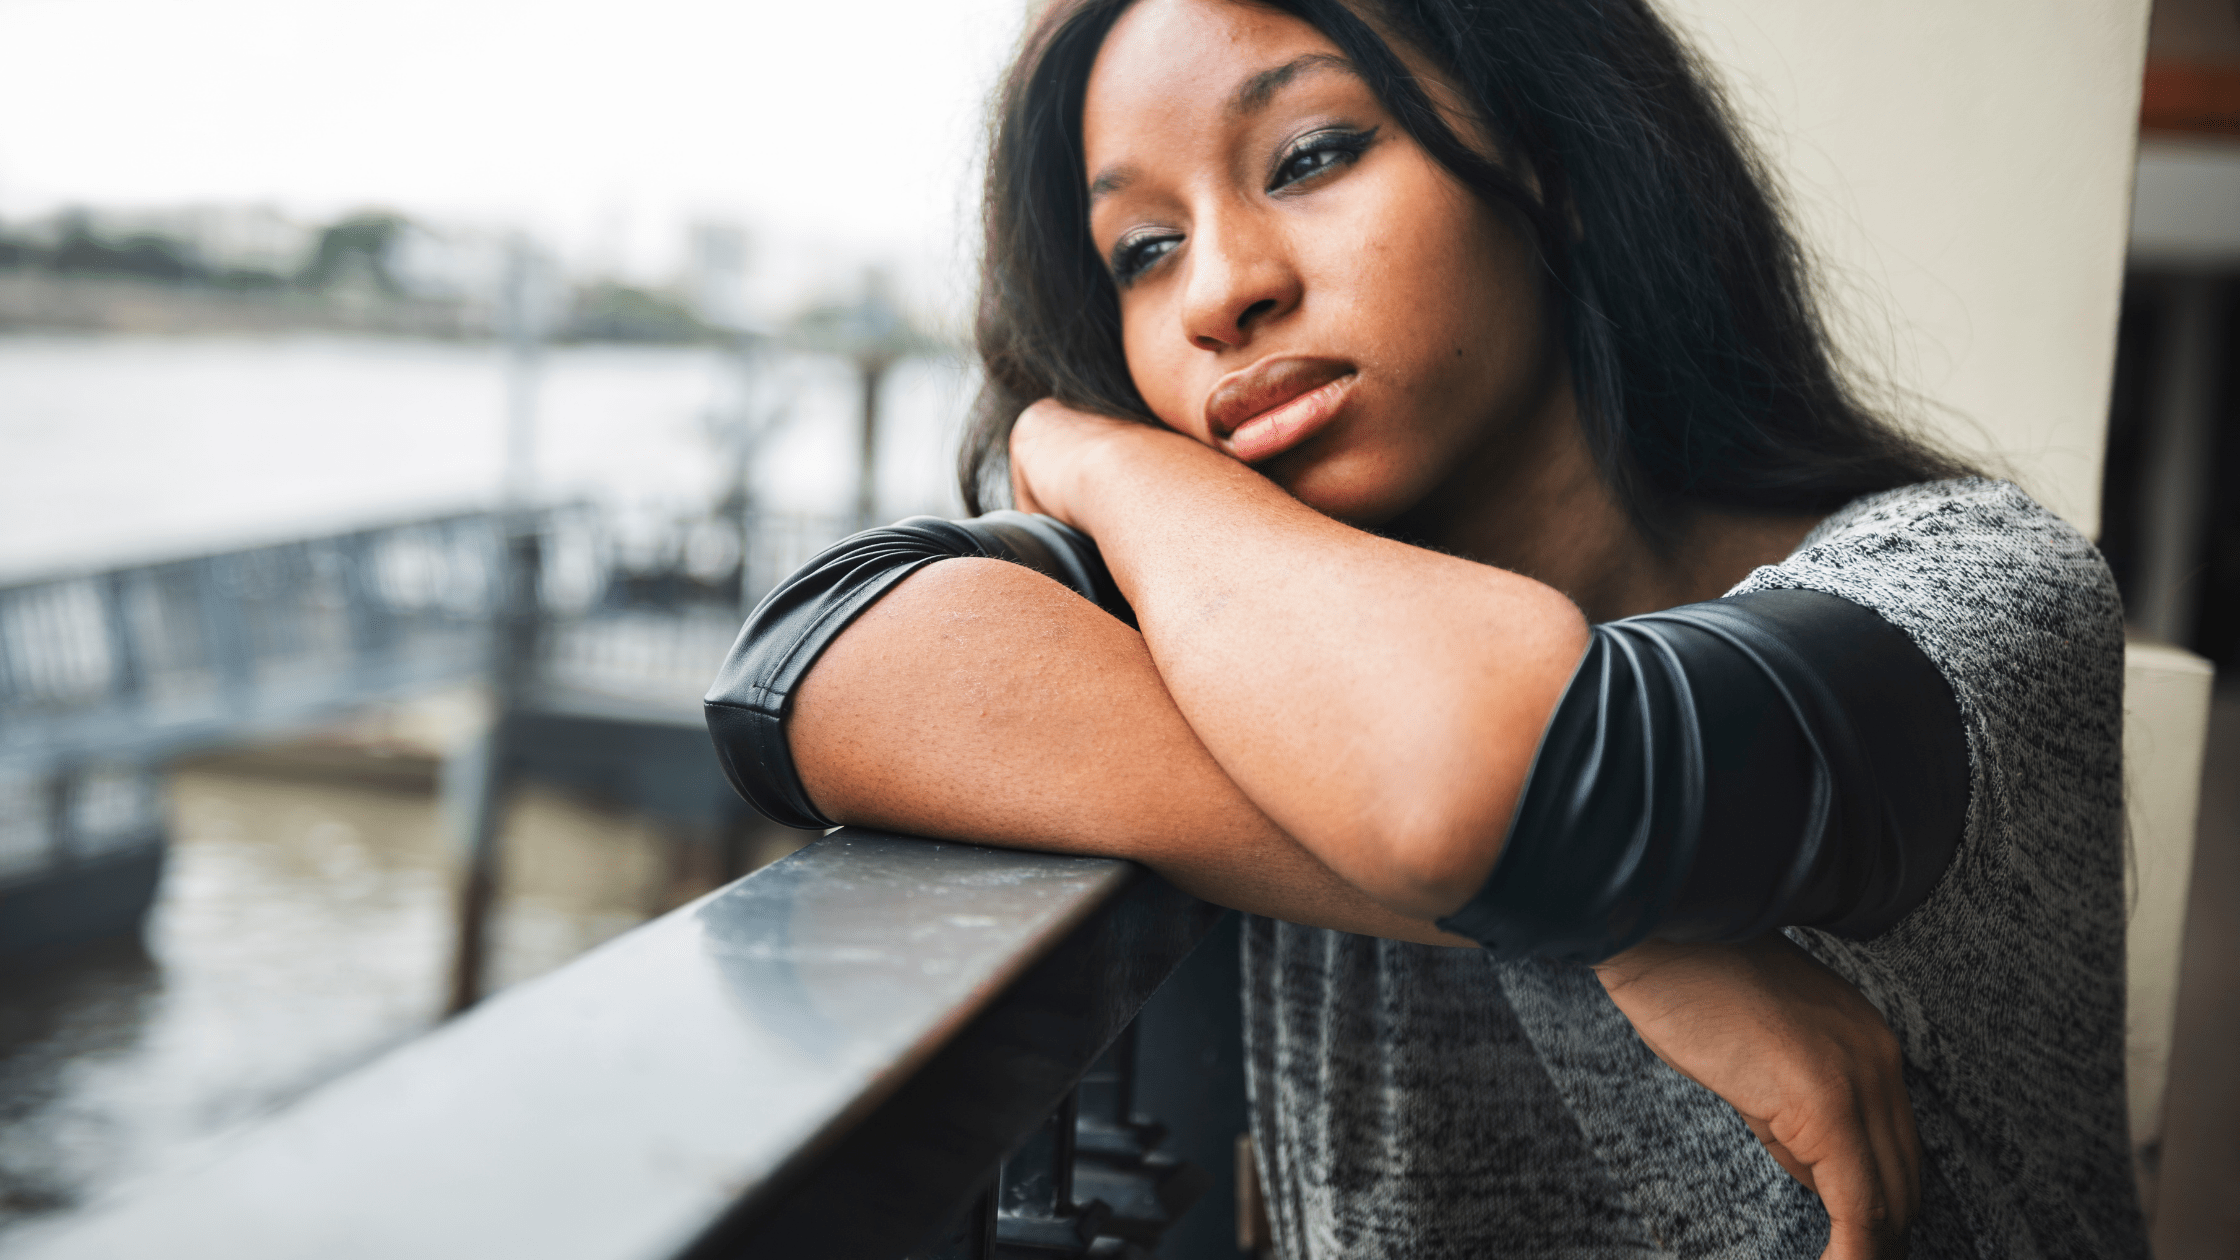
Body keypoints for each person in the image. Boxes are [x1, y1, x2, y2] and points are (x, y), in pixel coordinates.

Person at [702, 0, 2148, 1255]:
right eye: (1143, 247)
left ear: (1552, 158)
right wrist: (1623, 938)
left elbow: (1486, 780)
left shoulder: (1971, 588)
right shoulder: (1259, 645)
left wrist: (1094, 456)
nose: (1220, 291)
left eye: (1314, 156)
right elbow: (807, 663)